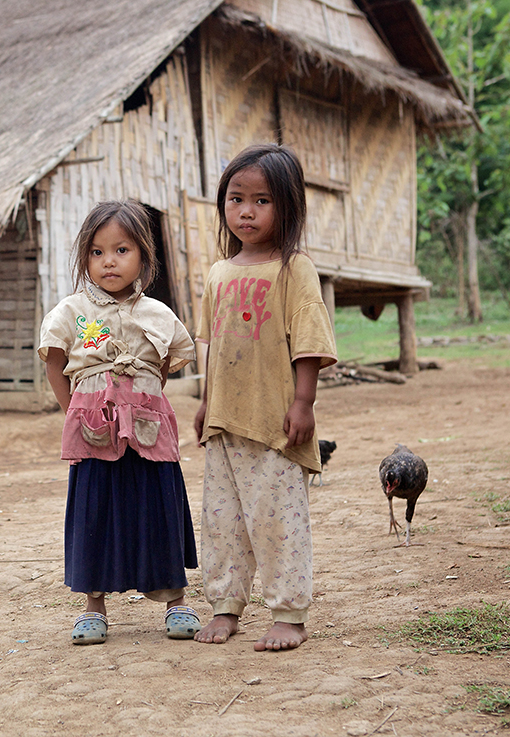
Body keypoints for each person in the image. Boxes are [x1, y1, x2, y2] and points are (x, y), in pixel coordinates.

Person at [192, 144, 338, 651]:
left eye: (262, 200)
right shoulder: (218, 273)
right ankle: (225, 606)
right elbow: (213, 344)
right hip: (225, 421)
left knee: (277, 522)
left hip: (275, 422)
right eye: (236, 199)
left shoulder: (295, 269)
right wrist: (206, 403)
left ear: (287, 206)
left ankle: (289, 614)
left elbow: (309, 341)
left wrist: (304, 403)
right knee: (222, 523)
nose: (246, 212)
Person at [39, 199, 201, 645]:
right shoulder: (73, 311)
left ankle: (175, 601)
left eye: (121, 250)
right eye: (97, 252)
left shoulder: (158, 314)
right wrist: (73, 410)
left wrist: (140, 395)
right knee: (95, 511)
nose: (108, 260)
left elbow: (165, 364)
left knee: (159, 507)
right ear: (85, 258)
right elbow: (54, 362)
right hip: (94, 430)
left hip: (149, 429)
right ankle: (93, 607)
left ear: (144, 257)